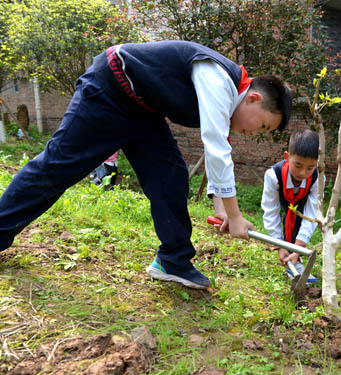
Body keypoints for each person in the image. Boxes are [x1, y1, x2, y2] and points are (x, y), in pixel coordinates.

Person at [0, 40, 293, 290]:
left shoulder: (229, 96)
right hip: (109, 90)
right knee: (58, 167)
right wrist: (236, 215)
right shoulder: (219, 79)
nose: (256, 134)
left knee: (170, 178)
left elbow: (219, 156)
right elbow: (217, 149)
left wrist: (222, 211)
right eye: (264, 126)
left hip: (143, 109)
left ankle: (172, 262)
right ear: (253, 99)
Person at [261, 129, 320, 283]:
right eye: (298, 165)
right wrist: (279, 244)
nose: (303, 172)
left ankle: (295, 261)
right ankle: (290, 260)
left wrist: (299, 248)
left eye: (310, 167)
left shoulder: (317, 178)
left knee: (300, 220)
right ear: (287, 157)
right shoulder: (273, 175)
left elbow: (311, 213)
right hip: (285, 200)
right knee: (286, 218)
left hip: (301, 205)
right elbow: (270, 211)